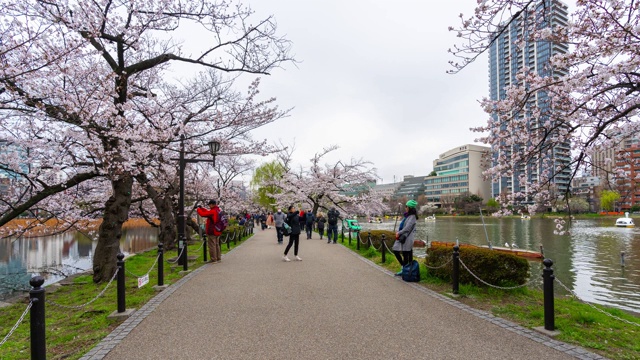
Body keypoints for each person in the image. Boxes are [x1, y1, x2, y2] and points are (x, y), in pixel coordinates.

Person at [392, 200, 418, 275]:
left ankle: (405, 271)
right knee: (396, 250)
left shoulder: (412, 217)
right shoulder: (408, 216)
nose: (405, 208)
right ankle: (405, 269)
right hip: (403, 237)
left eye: (406, 206)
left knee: (406, 254)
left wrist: (399, 232)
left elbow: (407, 227)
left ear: (409, 207)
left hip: (407, 238)